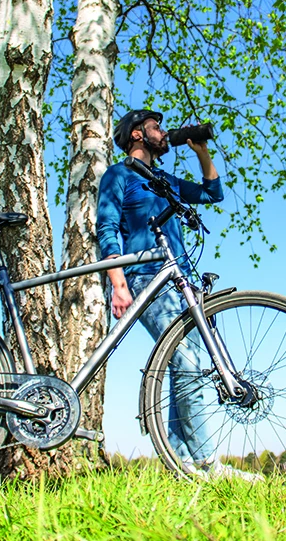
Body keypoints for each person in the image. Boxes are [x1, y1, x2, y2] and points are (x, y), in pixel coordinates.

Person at [96, 109, 261, 482]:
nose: (163, 132)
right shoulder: (119, 175)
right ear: (137, 134)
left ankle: (179, 461)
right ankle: (207, 463)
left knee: (186, 366)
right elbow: (106, 227)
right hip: (143, 277)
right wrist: (117, 282)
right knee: (187, 362)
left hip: (181, 279)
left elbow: (211, 193)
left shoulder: (163, 179)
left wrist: (201, 151)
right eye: (156, 127)